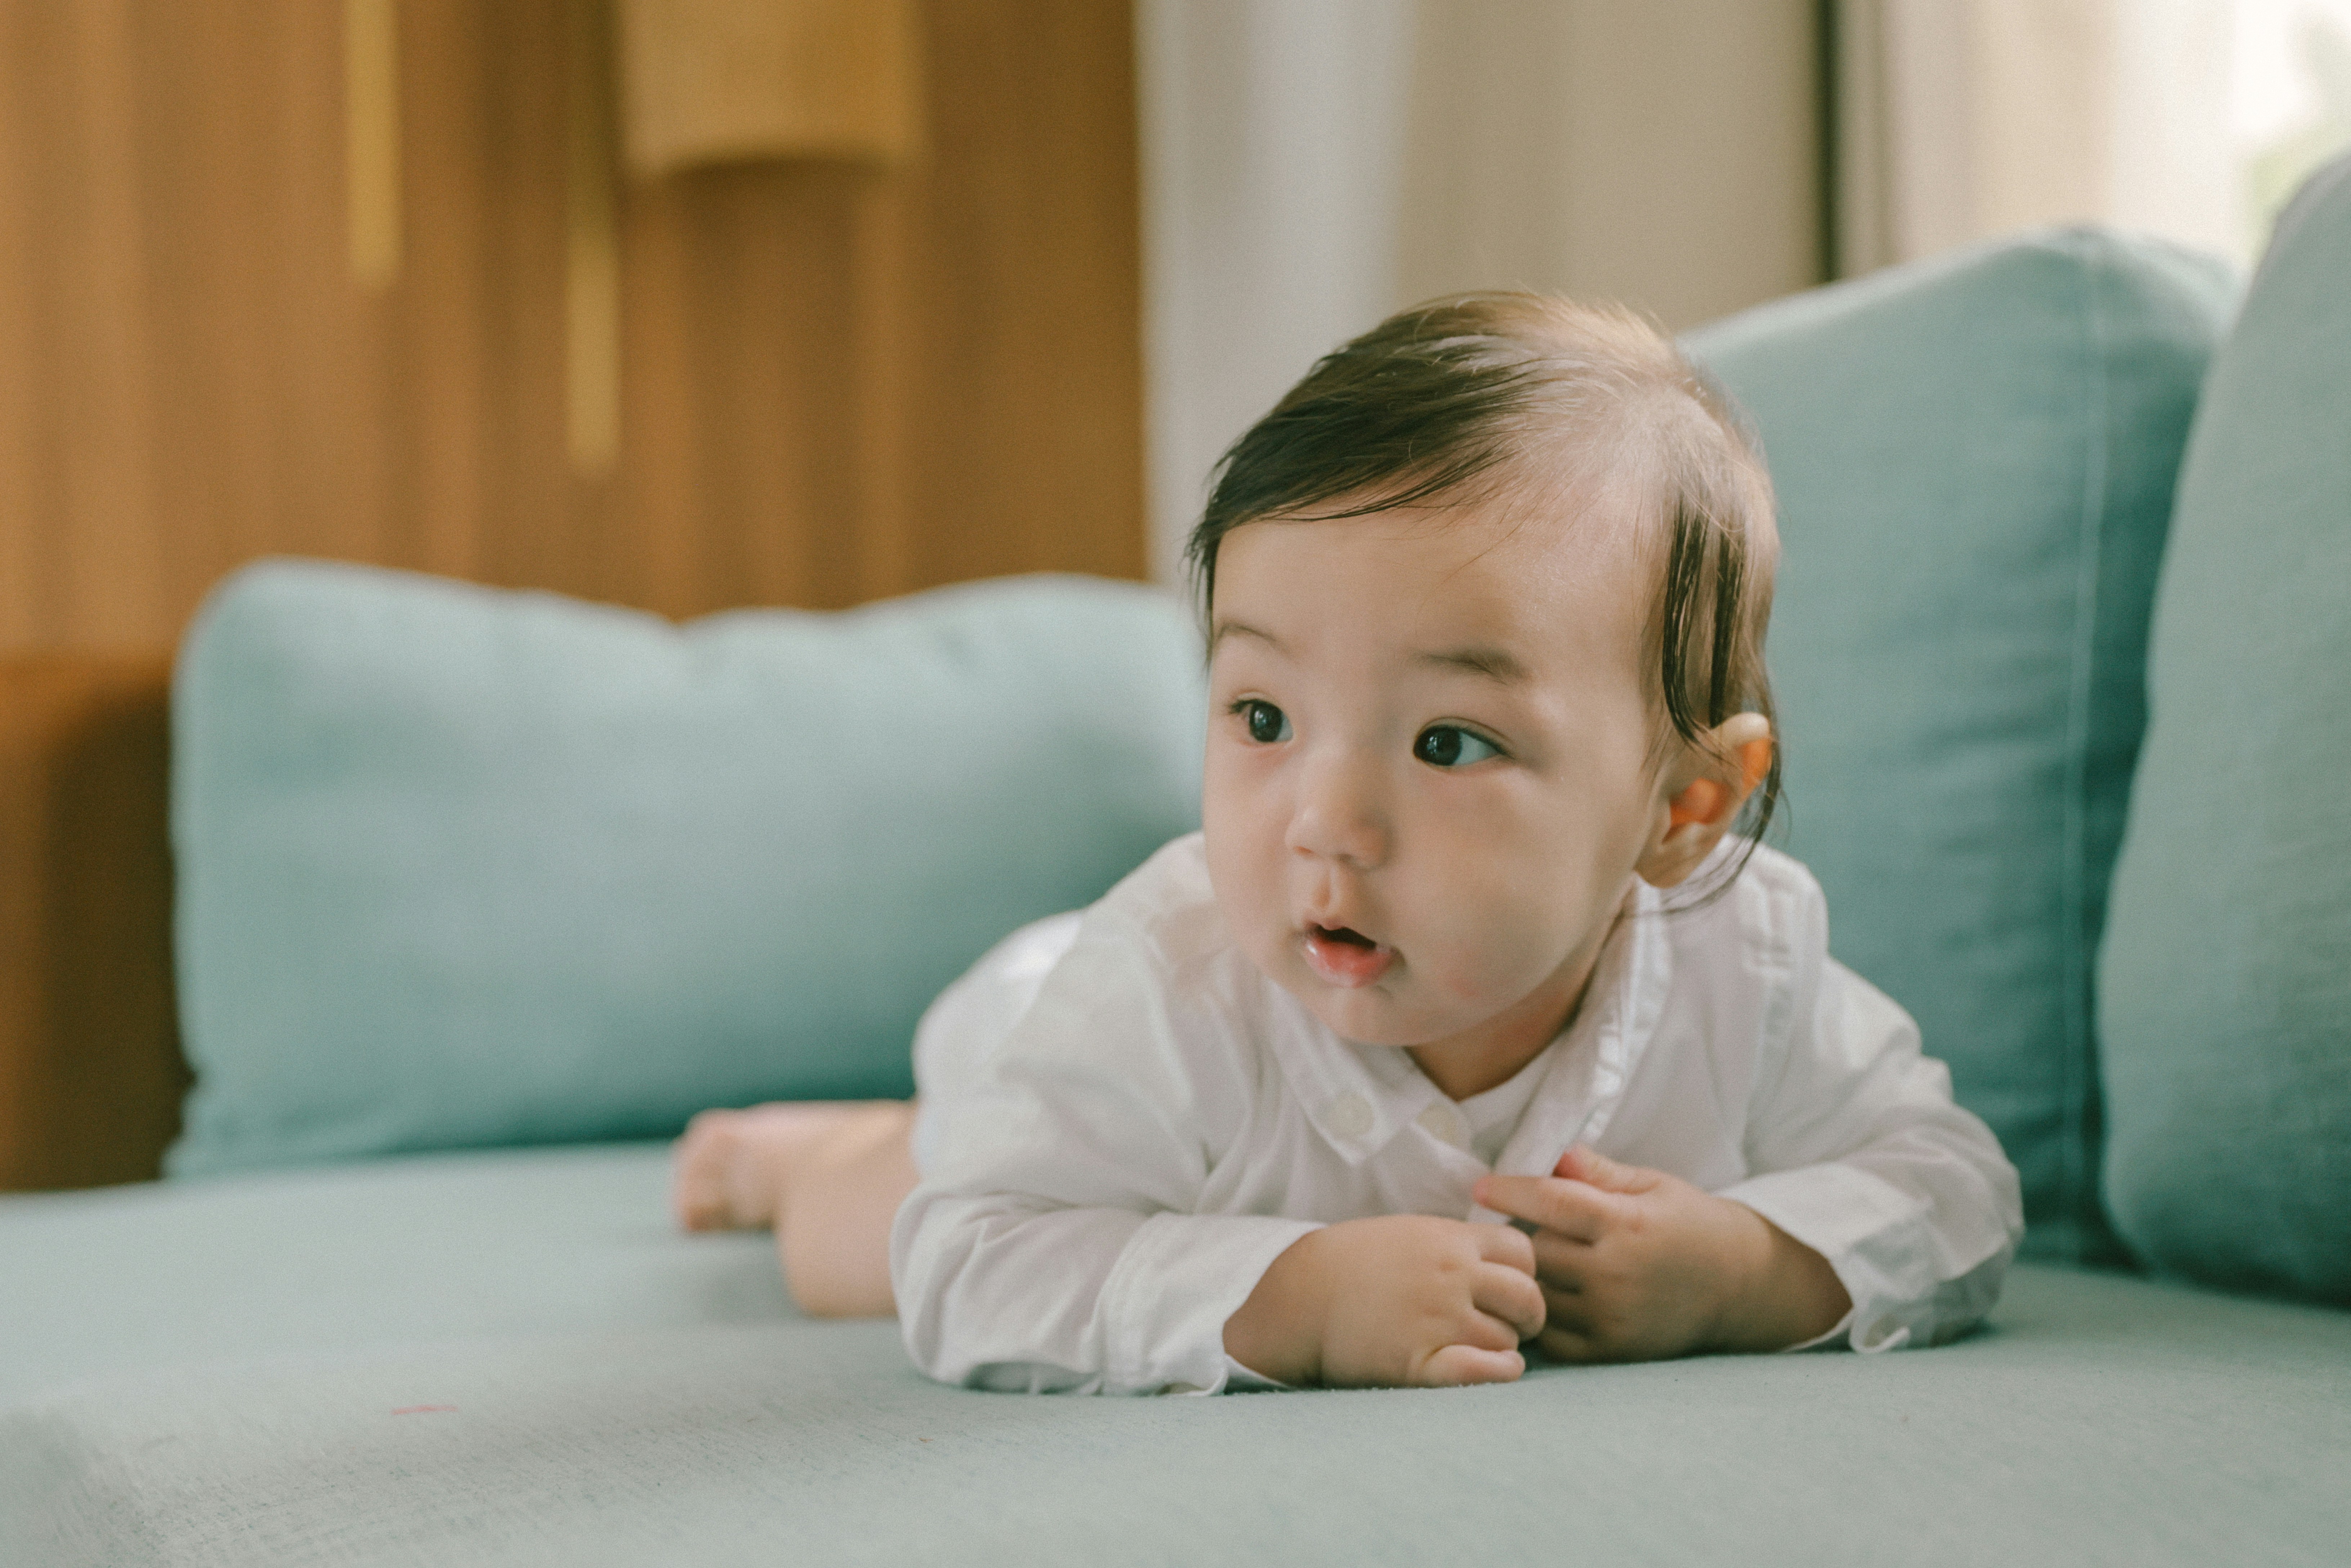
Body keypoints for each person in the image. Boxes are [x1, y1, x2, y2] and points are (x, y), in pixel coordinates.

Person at [673, 293, 2023, 1394]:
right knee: (852, 1234)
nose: (1323, 820)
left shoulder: (1748, 961)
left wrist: (1747, 1271)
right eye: (1263, 714)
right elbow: (971, 1261)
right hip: (1047, 1031)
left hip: (1110, 1093)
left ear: (1680, 810)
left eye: (1447, 741)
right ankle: (825, 1147)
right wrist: (1290, 1296)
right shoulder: (1167, 987)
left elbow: (1954, 1186)